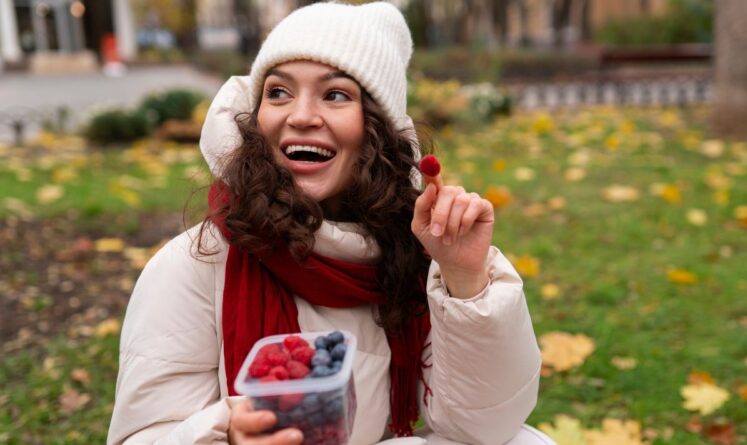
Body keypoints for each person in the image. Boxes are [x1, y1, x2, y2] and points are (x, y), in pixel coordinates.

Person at [108, 2, 551, 445]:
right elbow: (144, 434)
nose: (300, 116)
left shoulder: (409, 251)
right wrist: (229, 435)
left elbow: (483, 428)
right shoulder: (194, 265)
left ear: (377, 127)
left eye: (335, 94)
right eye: (278, 92)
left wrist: (465, 277)